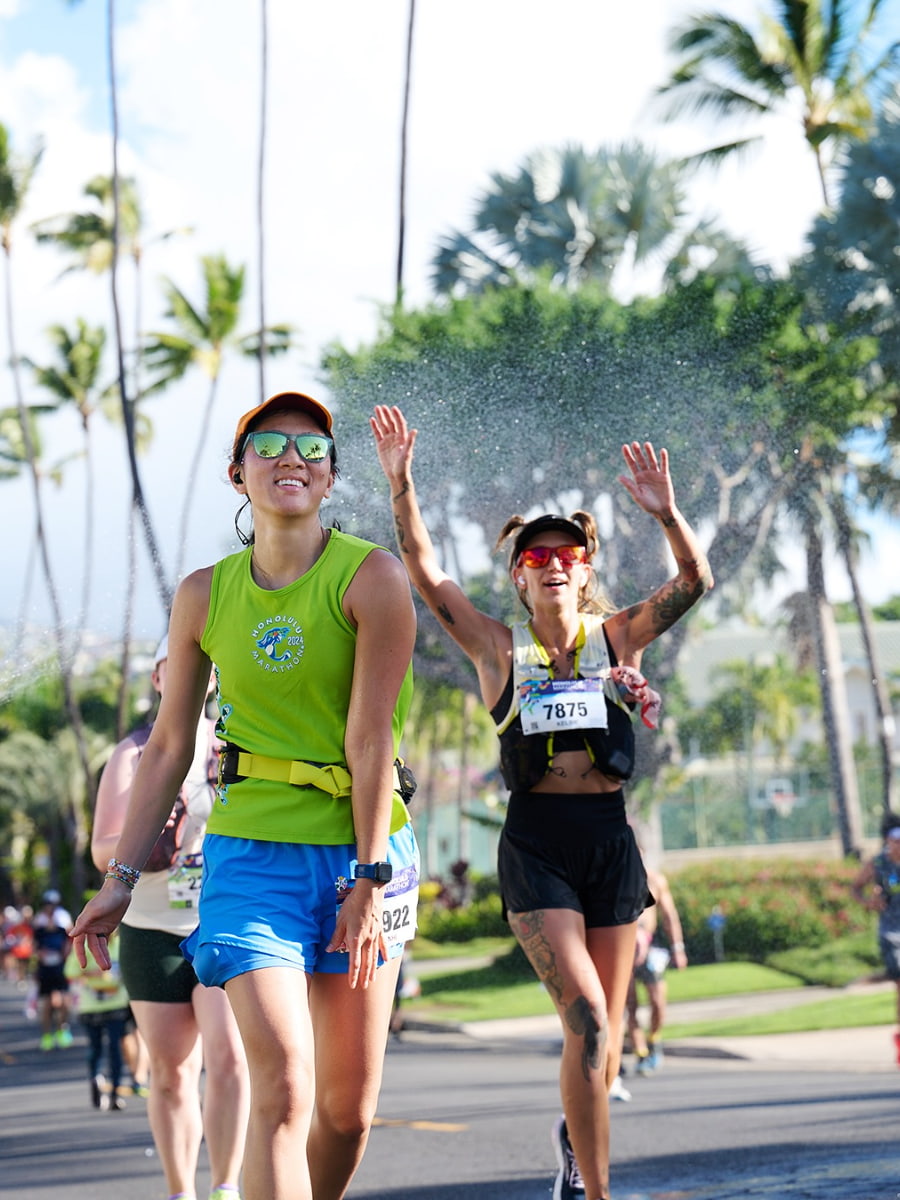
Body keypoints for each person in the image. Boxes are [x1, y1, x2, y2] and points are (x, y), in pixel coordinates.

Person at [72, 390, 420, 1200]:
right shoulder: (202, 594)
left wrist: (368, 879)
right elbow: (168, 747)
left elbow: (372, 740)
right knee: (284, 1088)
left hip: (363, 856)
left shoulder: (373, 578)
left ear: (332, 477)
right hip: (251, 857)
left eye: (311, 447)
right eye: (268, 443)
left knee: (345, 1114)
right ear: (238, 474)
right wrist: (118, 882)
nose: (289, 456)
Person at [371, 404, 713, 1200]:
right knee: (588, 1021)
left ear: (587, 569)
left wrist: (667, 515)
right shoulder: (497, 647)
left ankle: (574, 1143)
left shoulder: (618, 639)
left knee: (605, 1041)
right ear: (519, 575)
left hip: (609, 842)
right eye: (537, 554)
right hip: (537, 846)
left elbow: (696, 581)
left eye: (568, 552)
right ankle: (595, 1193)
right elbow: (423, 569)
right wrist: (401, 484)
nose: (553, 562)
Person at [90, 636, 249, 1200]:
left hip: (220, 923)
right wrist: (154, 842)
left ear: (212, 677)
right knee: (172, 1070)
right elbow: (101, 847)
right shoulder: (133, 755)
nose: (184, 674)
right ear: (158, 679)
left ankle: (226, 1185)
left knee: (229, 1056)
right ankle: (181, 1189)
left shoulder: (235, 742)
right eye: (170, 666)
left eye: (198, 667)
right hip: (150, 928)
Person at [624, 864, 688, 1076]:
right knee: (630, 1005)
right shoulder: (614, 879)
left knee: (658, 1001)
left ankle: (654, 1040)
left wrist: (677, 948)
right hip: (623, 948)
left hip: (649, 946)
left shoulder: (655, 880)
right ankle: (641, 1054)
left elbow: (669, 916)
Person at [65, 927, 132, 1110]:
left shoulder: (121, 944)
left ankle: (114, 1091)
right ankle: (98, 1081)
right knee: (98, 1048)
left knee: (113, 1048)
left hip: (115, 1003)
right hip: (91, 1004)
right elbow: (70, 972)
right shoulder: (86, 945)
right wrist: (93, 974)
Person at [852, 813, 900, 1065]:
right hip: (891, 933)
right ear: (887, 840)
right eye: (896, 839)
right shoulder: (878, 864)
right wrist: (869, 902)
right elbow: (855, 887)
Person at [32, 889, 74, 1050]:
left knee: (63, 1001)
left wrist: (66, 954)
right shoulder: (39, 921)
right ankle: (47, 1034)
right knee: (47, 1003)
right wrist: (39, 955)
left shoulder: (63, 918)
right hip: (45, 969)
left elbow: (69, 939)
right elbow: (35, 944)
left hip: (60, 967)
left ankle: (62, 1028)